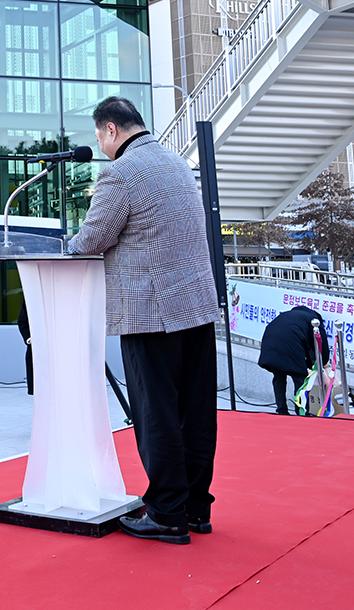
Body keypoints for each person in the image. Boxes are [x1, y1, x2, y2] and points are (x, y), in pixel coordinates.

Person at [69, 95, 219, 545]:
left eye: (100, 138)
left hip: (150, 311)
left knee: (156, 414)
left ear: (111, 130)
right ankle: (194, 508)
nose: (100, 147)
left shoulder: (121, 172)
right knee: (195, 413)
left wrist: (68, 243)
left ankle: (166, 513)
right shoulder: (175, 162)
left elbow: (92, 238)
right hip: (196, 305)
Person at [258, 305, 329, 416]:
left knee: (279, 377)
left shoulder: (288, 315)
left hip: (271, 344)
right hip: (291, 346)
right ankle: (301, 411)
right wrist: (324, 363)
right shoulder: (313, 319)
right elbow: (321, 343)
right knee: (300, 379)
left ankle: (281, 410)